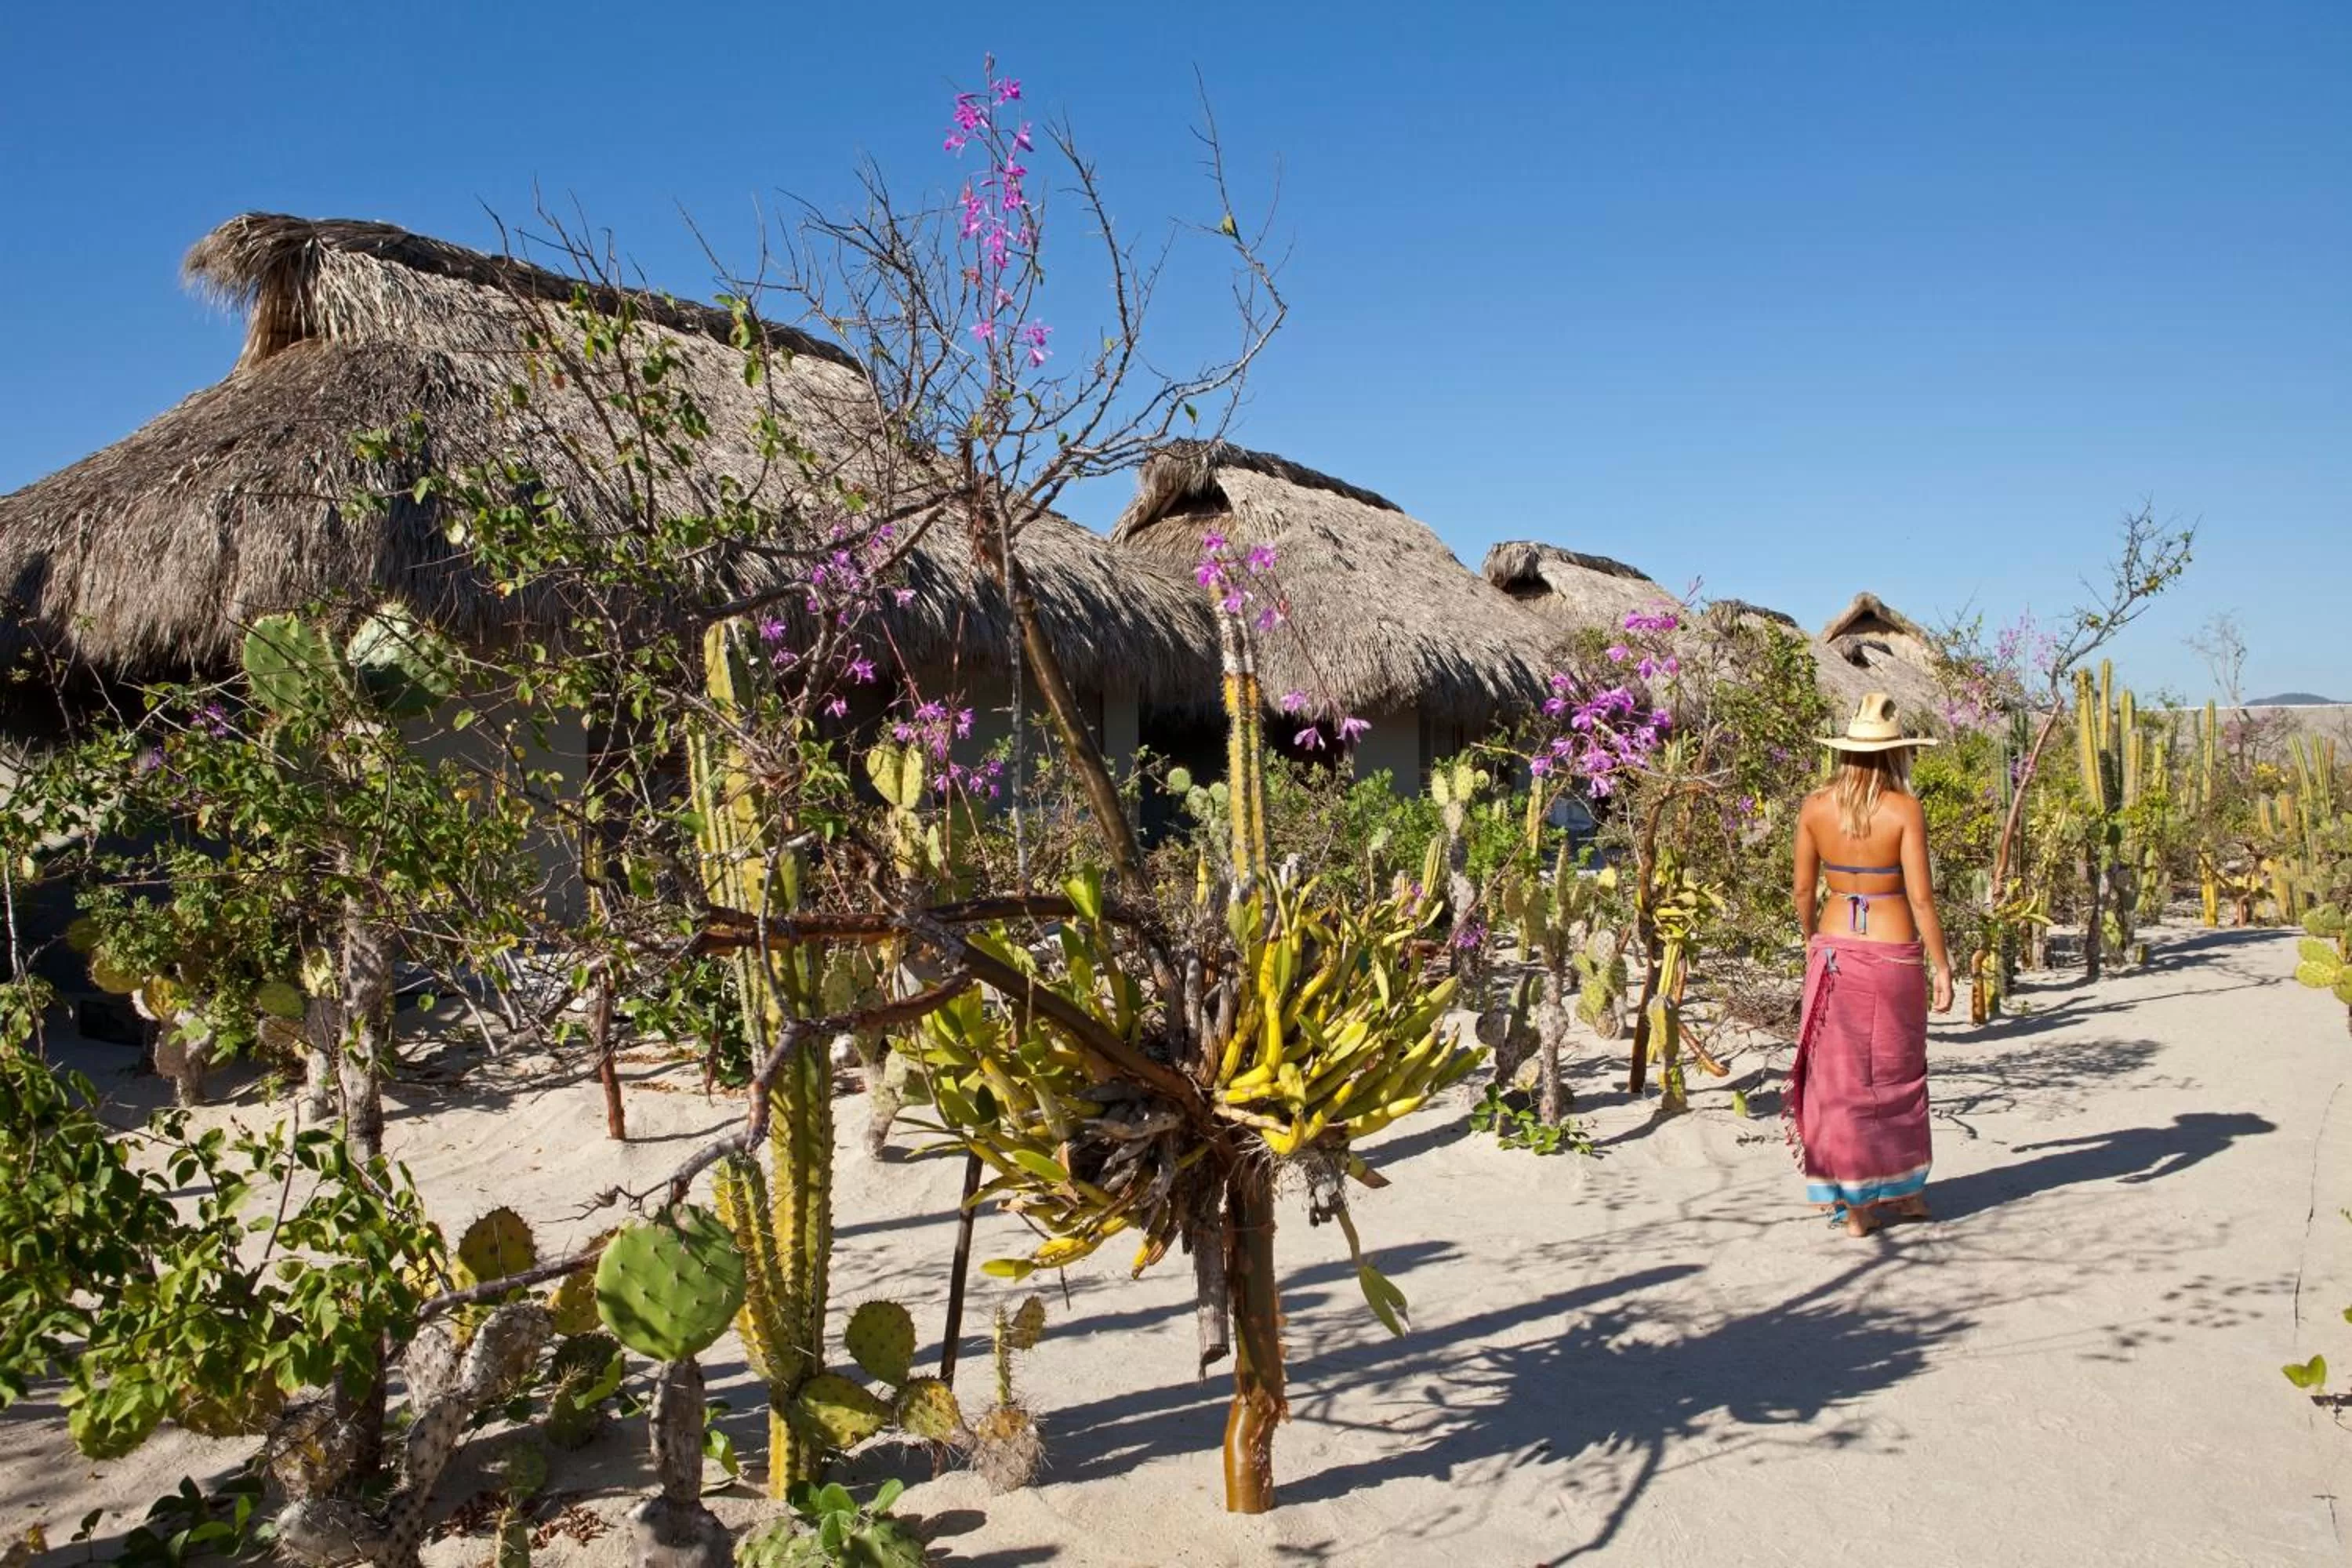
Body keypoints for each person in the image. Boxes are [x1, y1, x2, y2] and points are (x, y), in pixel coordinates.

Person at [1785, 692, 1953, 1236]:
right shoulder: (1904, 809)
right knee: (1899, 1072)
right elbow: (1921, 899)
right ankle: (1907, 1193)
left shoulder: (1815, 807)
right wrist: (1943, 966)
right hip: (1892, 951)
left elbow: (1803, 890)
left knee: (1841, 1078)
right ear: (1896, 752)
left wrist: (1812, 939)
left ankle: (1857, 1205)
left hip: (1834, 950)